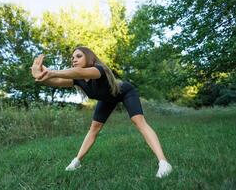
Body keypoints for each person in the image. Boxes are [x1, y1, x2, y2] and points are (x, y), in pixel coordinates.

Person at [31, 46, 172, 178]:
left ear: (89, 57)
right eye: (72, 57)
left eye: (78, 56)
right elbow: (55, 81)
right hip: (107, 99)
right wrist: (42, 75)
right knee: (94, 128)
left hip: (124, 92)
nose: (74, 59)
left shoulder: (97, 69)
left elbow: (78, 72)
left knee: (138, 121)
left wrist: (51, 71)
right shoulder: (78, 80)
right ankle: (76, 161)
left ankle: (164, 163)